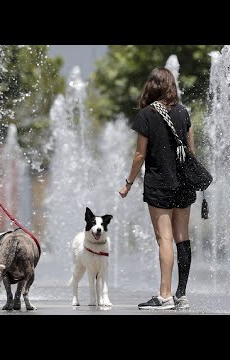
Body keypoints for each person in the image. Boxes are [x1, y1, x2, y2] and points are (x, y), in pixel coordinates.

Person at [118, 68, 195, 310]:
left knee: (164, 239)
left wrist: (128, 183)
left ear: (152, 86)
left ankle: (164, 296)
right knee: (182, 239)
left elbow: (140, 154)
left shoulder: (147, 114)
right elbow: (191, 152)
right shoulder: (184, 113)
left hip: (160, 184)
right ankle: (181, 295)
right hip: (184, 183)